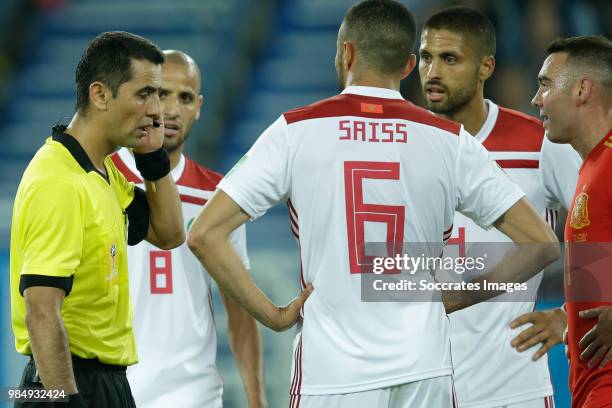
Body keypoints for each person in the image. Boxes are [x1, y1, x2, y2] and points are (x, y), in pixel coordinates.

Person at [187, 1, 558, 407]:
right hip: (424, 367)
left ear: (346, 52)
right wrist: (452, 298)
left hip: (332, 372)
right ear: (407, 65)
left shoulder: (295, 130)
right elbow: (540, 244)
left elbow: (204, 234)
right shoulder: (450, 141)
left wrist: (273, 315)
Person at [9, 31, 184, 408]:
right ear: (100, 95)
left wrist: (154, 159)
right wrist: (65, 401)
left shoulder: (102, 172)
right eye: (144, 93)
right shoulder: (58, 181)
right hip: (60, 383)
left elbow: (169, 233)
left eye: (158, 94)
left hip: (103, 381)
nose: (158, 110)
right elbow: (41, 310)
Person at [418, 7, 567, 407]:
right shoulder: (399, 148)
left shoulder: (539, 144)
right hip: (419, 386)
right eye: (426, 57)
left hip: (511, 388)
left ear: (486, 67)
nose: (433, 71)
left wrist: (569, 315)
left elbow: (602, 226)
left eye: (449, 59)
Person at [111, 50, 266, 408]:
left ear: (198, 107)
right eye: (161, 94)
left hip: (194, 395)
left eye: (184, 98)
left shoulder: (220, 195)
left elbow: (240, 310)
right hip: (115, 391)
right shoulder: (102, 178)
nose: (171, 109)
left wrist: (257, 400)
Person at [531, 35, 612, 408]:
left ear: (581, 89)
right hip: (588, 386)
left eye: (545, 85)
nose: (536, 100)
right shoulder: (591, 167)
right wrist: (567, 317)